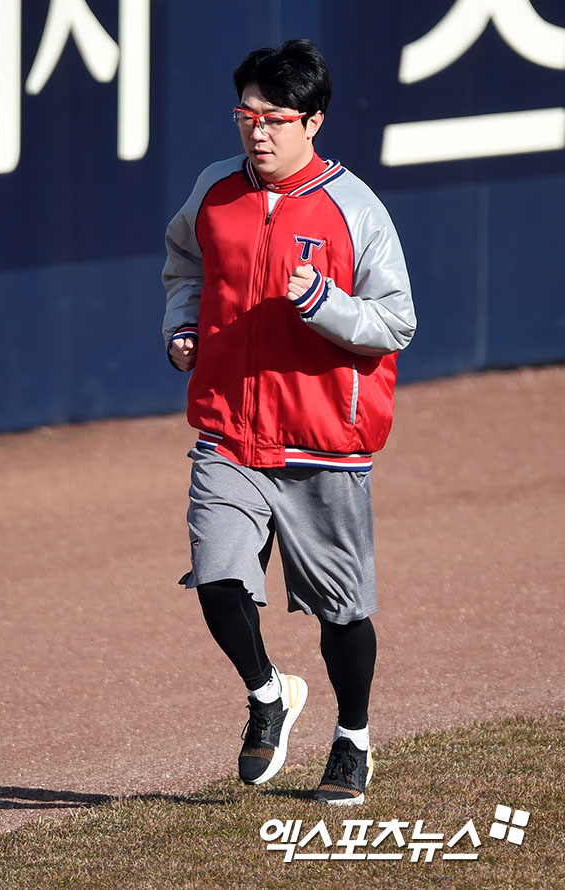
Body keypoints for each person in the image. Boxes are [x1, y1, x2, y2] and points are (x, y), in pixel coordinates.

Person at [160, 39, 416, 805]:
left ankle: (354, 738)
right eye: (246, 115)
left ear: (314, 121)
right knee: (217, 581)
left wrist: (323, 304)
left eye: (274, 117)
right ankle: (268, 691)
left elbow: (396, 322)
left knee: (342, 615)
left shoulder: (355, 209)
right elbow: (187, 266)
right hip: (230, 434)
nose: (257, 132)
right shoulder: (213, 189)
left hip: (323, 444)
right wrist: (182, 327)